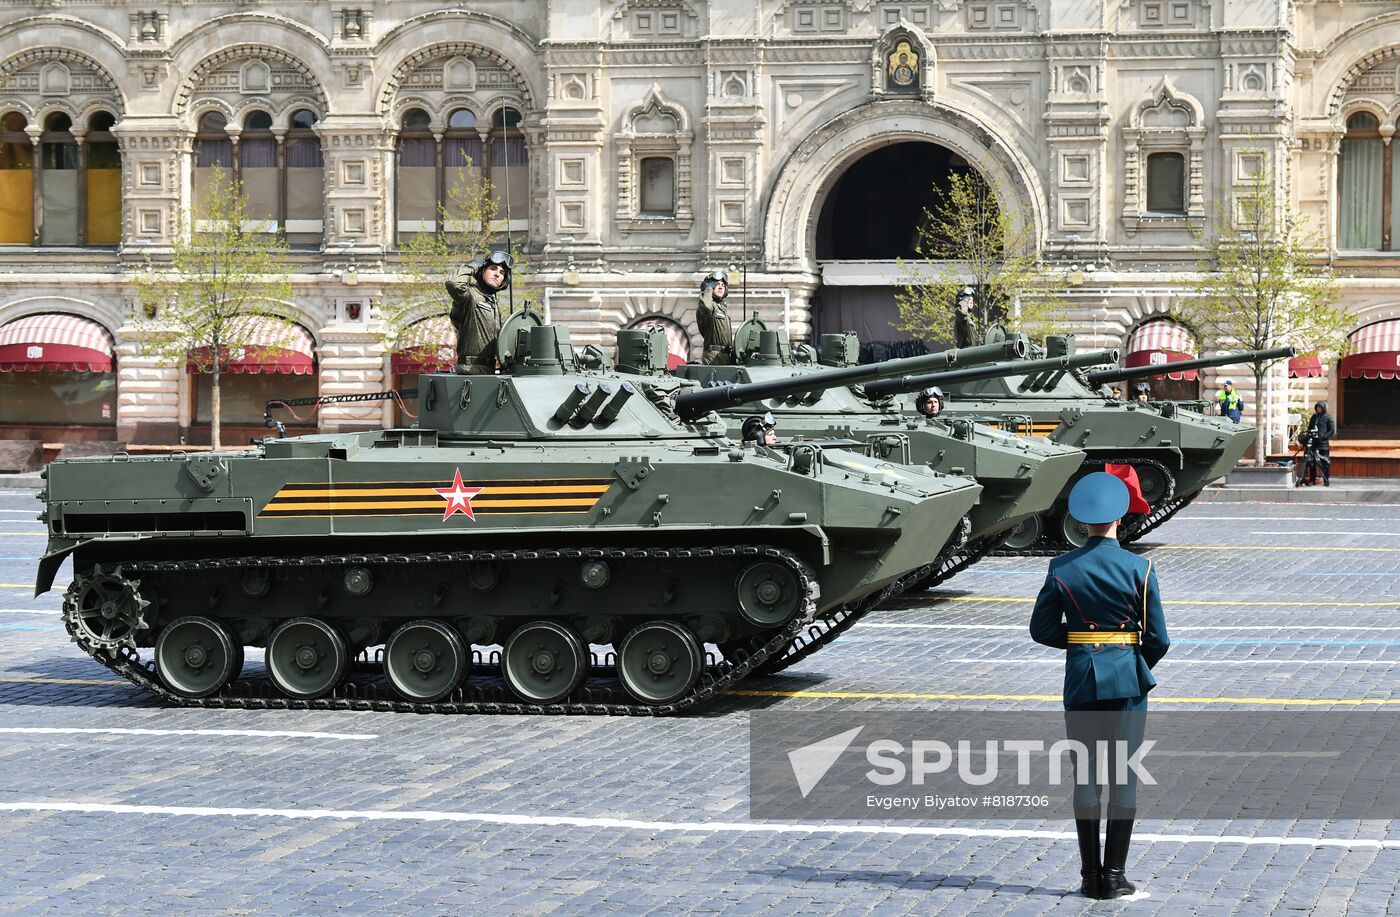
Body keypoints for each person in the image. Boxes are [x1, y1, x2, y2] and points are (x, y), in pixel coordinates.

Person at [1030, 473, 1170, 900]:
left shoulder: (1061, 567)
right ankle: (1115, 876)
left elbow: (1042, 629)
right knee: (1124, 775)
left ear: (1083, 520)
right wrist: (1129, 663)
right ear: (1119, 518)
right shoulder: (1140, 567)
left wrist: (1082, 648)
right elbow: (1159, 638)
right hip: (1127, 678)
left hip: (1081, 679)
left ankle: (1090, 876)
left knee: (1086, 775)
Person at [446, 251, 512, 374]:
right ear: (482, 270)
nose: (497, 274)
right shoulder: (469, 295)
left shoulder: (493, 304)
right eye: (493, 269)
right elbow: (454, 284)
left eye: (502, 272)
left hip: (489, 370)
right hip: (470, 370)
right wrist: (473, 265)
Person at [696, 270, 734, 365]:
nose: (721, 287)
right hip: (712, 357)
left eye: (723, 285)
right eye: (716, 284)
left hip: (726, 355)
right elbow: (706, 305)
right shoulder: (708, 307)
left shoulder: (722, 309)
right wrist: (708, 289)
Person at [1303, 401, 1335, 486]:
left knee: (1325, 462)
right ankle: (1312, 479)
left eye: (1320, 407)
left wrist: (1323, 437)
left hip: (1323, 445)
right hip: (1313, 443)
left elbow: (1331, 431)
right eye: (1317, 407)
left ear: (1323, 408)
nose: (1318, 409)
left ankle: (1326, 480)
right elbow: (1310, 427)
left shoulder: (1328, 417)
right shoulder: (1314, 417)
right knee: (1311, 462)